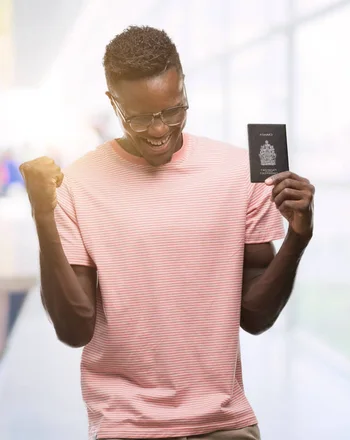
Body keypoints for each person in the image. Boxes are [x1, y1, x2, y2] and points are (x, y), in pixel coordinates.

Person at [19, 26, 314, 440]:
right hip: (126, 426)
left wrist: (298, 239)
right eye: (139, 116)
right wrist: (43, 216)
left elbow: (255, 317)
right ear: (112, 101)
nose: (159, 130)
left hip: (224, 424)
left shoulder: (238, 174)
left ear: (185, 91)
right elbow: (74, 330)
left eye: (173, 110)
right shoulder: (78, 183)